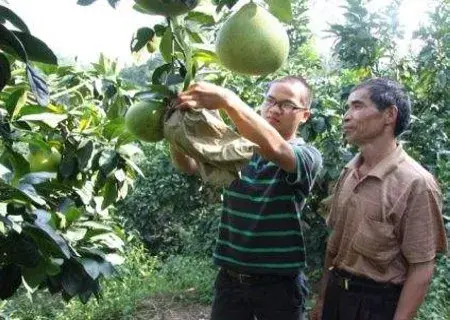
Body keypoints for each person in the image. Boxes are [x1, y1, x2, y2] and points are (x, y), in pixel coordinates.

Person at [171, 76, 323, 320]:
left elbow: (276, 150)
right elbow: (187, 165)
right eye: (270, 100)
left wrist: (229, 101)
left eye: (286, 104)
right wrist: (175, 126)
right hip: (230, 281)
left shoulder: (307, 157)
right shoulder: (237, 150)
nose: (274, 109)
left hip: (279, 287)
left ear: (304, 115)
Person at [310, 78, 448, 320]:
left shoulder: (416, 183)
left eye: (358, 106)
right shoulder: (349, 172)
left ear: (389, 115)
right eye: (347, 107)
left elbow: (421, 267)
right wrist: (322, 299)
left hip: (377, 306)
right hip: (337, 296)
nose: (346, 116)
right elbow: (334, 246)